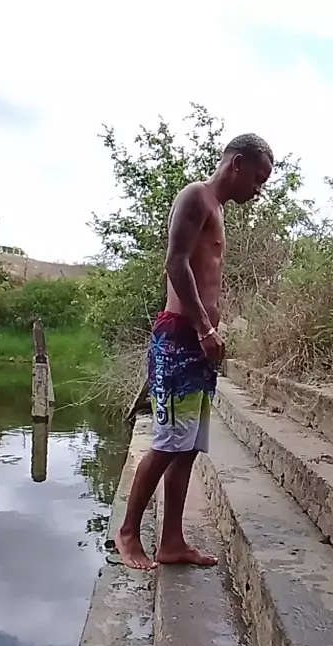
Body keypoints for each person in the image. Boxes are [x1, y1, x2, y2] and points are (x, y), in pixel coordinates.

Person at [115, 133, 274, 569]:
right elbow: (175, 262)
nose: (258, 189)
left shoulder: (217, 209)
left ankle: (172, 541)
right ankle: (127, 533)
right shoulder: (196, 197)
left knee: (186, 446)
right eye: (257, 178)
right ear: (236, 164)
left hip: (198, 343)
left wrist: (209, 331)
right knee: (168, 442)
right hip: (180, 338)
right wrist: (205, 328)